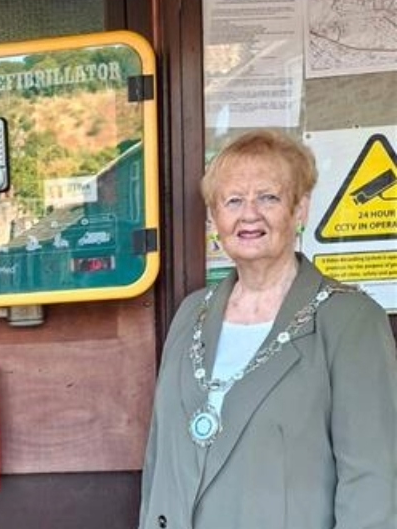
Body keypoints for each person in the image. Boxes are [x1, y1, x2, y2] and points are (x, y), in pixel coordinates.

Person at [138, 130, 397, 529]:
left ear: (300, 210)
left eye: (269, 197)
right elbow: (161, 459)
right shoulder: (191, 314)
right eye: (233, 200)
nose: (249, 214)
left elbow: (373, 481)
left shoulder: (350, 319)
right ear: (214, 217)